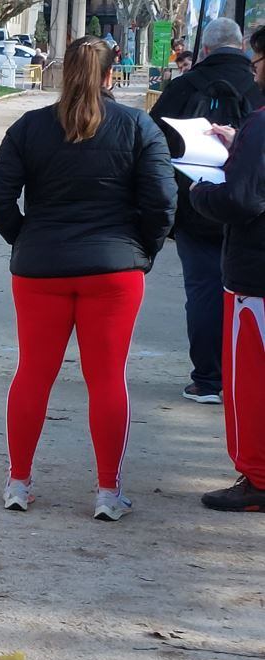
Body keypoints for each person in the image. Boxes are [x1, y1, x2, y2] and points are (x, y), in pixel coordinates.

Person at [0, 35, 176, 521]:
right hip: (114, 270)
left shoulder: (28, 128)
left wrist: (25, 239)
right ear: (113, 75)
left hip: (40, 269)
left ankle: (18, 482)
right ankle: (108, 492)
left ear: (61, 73)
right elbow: (162, 201)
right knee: (108, 378)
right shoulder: (137, 127)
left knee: (33, 373)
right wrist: (141, 249)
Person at [150, 18, 264, 405]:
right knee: (247, 297)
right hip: (252, 212)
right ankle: (245, 378)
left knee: (202, 290)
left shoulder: (183, 86)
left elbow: (152, 140)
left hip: (196, 205)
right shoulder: (256, 87)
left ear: (206, 50)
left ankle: (208, 380)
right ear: (243, 47)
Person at [189, 25, 265, 511]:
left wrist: (200, 192)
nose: (254, 71)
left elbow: (240, 198)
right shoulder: (255, 129)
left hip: (255, 278)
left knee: (249, 386)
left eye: (258, 62)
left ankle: (257, 478)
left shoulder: (261, 124)